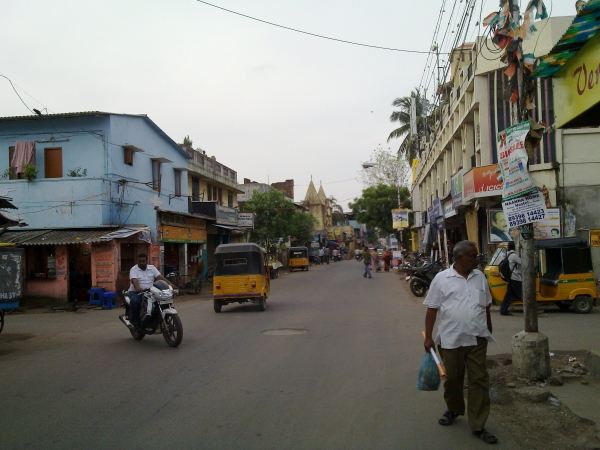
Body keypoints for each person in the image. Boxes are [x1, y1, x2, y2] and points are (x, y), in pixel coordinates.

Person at [423, 241, 498, 444]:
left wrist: (488, 329)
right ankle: (454, 409)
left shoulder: (480, 277)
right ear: (459, 258)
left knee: (479, 380)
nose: (477, 259)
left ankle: (478, 424)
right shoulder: (442, 279)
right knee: (454, 379)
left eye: (477, 255)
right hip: (451, 339)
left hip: (477, 338)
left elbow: (486, 306)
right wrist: (429, 337)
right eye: (473, 256)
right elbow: (431, 309)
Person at [126, 253, 175, 329]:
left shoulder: (152, 268)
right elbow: (134, 280)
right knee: (135, 302)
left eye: (143, 261)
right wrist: (137, 287)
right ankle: (135, 322)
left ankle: (155, 320)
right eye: (140, 261)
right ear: (137, 261)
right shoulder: (134, 269)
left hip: (150, 291)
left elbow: (159, 277)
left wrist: (169, 284)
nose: (141, 263)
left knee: (160, 301)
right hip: (137, 292)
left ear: (147, 261)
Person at [500, 242, 521, 316]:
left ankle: (503, 310)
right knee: (523, 294)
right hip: (515, 278)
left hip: (512, 278)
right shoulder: (513, 255)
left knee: (509, 295)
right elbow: (522, 262)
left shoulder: (508, 255)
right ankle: (531, 309)